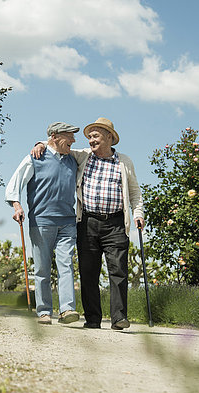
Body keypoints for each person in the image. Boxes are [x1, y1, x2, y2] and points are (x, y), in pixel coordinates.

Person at [31, 117, 144, 330]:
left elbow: (135, 193)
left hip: (116, 223)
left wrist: (138, 213)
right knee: (88, 271)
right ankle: (93, 319)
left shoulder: (124, 161)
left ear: (109, 137)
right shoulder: (83, 155)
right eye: (89, 136)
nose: (91, 140)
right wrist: (40, 143)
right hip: (88, 222)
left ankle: (119, 318)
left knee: (118, 270)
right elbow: (58, 144)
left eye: (95, 136)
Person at [5, 122, 81, 325]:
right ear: (55, 136)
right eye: (69, 136)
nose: (74, 140)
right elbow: (15, 182)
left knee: (66, 265)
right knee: (42, 269)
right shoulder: (35, 157)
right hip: (41, 220)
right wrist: (17, 206)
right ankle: (44, 311)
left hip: (67, 221)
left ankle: (67, 310)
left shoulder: (72, 160)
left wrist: (41, 142)